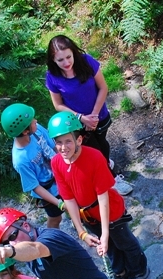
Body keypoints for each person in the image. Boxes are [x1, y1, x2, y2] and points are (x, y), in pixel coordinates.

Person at [47, 111, 149, 279]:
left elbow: (103, 197)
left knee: (124, 241)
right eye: (58, 142)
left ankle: (138, 271)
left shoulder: (94, 157)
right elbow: (68, 199)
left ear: (79, 140)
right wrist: (81, 232)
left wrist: (106, 233)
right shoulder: (56, 162)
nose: (63, 147)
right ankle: (121, 274)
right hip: (88, 215)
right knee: (109, 248)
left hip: (110, 209)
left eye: (68, 141)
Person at [45, 34, 131, 195]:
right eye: (60, 60)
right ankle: (112, 180)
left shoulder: (87, 61)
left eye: (68, 57)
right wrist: (81, 118)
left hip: (100, 116)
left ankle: (106, 163)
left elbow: (103, 88)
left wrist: (94, 115)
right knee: (94, 152)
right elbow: (58, 104)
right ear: (53, 61)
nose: (66, 63)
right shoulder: (52, 76)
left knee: (102, 144)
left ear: (74, 52)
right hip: (77, 123)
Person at [0, 103, 64, 229]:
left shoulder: (36, 129)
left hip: (61, 174)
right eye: (32, 121)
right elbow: (34, 186)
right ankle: (53, 239)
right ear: (25, 131)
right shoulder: (21, 160)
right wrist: (59, 203)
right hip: (49, 190)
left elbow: (53, 146)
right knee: (56, 218)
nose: (36, 121)